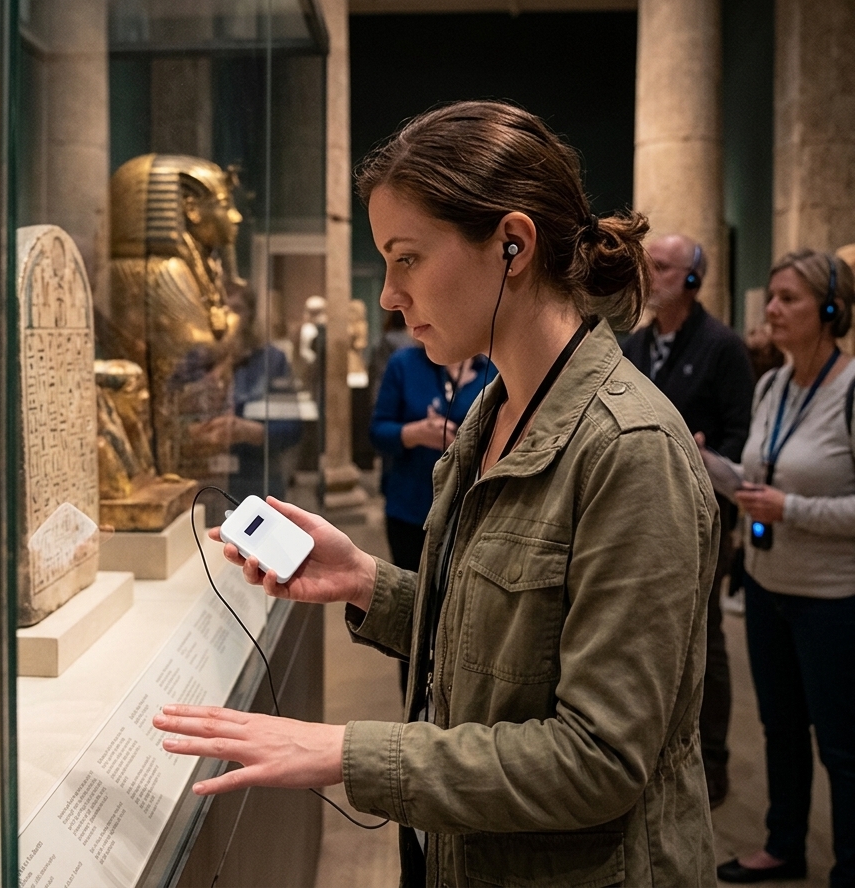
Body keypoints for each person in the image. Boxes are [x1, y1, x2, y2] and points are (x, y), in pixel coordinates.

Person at [152, 101, 719, 888]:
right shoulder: (496, 409)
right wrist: (367, 582)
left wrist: (343, 753)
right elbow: (508, 643)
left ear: (511, 246)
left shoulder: (629, 451)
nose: (387, 294)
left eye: (407, 257)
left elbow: (598, 759)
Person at [716, 250, 855, 887]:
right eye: (770, 295)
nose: (771, 309)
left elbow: (788, 495)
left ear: (831, 310)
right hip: (768, 587)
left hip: (832, 597)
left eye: (788, 299)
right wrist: (712, 466)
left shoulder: (850, 390)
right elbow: (757, 477)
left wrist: (788, 507)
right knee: (780, 729)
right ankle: (783, 843)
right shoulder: (771, 384)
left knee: (842, 744)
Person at [622, 234, 754, 807]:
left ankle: (714, 761)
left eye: (663, 266)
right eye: (648, 266)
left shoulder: (723, 346)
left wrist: (706, 454)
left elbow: (739, 437)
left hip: (702, 517)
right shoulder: (634, 343)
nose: (650, 275)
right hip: (638, 516)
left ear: (694, 279)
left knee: (706, 636)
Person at [370, 345, 489, 691]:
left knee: (465, 613)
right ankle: (414, 706)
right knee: (412, 616)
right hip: (410, 509)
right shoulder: (404, 363)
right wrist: (415, 433)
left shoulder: (491, 366)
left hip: (469, 512)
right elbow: (378, 431)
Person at [189, 284, 302, 501]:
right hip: (202, 482)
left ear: (250, 315)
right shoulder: (196, 359)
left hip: (255, 479)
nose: (228, 318)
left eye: (237, 309)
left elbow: (292, 428)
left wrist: (247, 431)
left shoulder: (271, 360)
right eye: (222, 310)